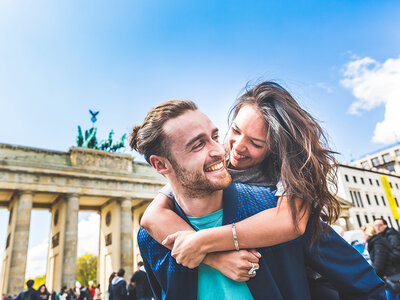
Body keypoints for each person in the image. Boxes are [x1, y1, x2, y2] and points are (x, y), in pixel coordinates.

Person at [139, 83, 385, 298]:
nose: (234, 149)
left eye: (255, 143)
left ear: (276, 149)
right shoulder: (210, 166)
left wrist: (204, 241)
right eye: (234, 131)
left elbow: (290, 222)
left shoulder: (286, 178)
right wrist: (215, 257)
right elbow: (152, 216)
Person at [362, 224, 400, 300]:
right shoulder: (376, 241)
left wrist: (373, 278)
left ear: (367, 233)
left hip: (389, 277)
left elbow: (379, 264)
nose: (362, 236)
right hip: (390, 276)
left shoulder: (378, 243)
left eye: (363, 234)